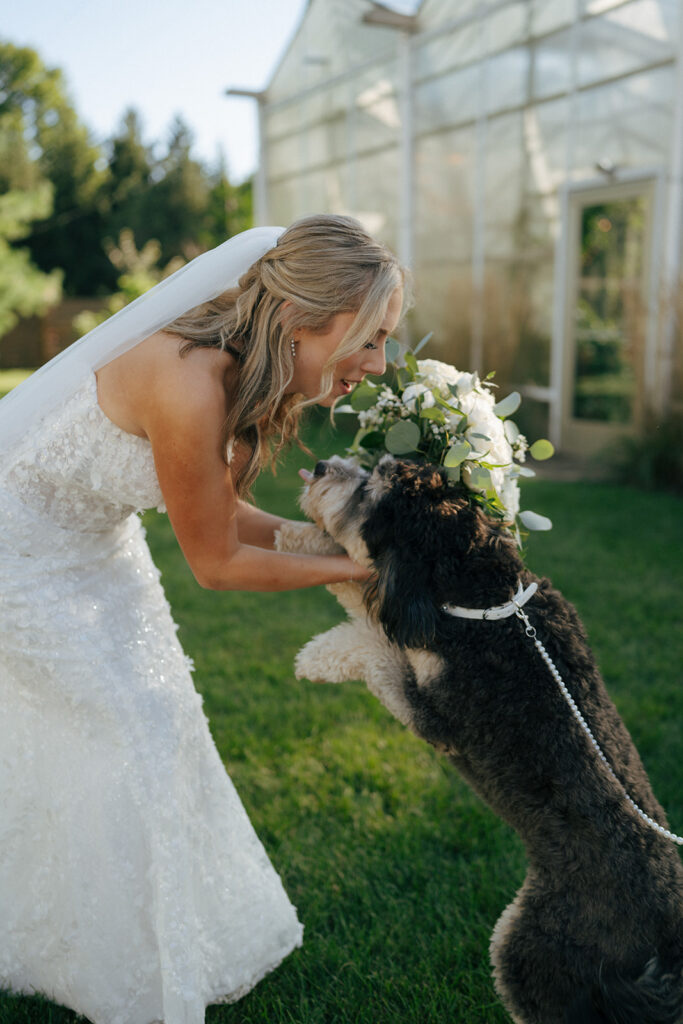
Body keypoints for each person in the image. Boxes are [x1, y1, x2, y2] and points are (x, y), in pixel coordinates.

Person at [0, 214, 406, 1024]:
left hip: (94, 543)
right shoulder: (187, 378)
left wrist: (317, 538)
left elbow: (220, 511)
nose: (378, 362)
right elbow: (217, 562)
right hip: (17, 555)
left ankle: (166, 938)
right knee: (133, 728)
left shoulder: (228, 367)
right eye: (368, 338)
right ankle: (118, 965)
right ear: (301, 320)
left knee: (165, 723)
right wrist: (358, 568)